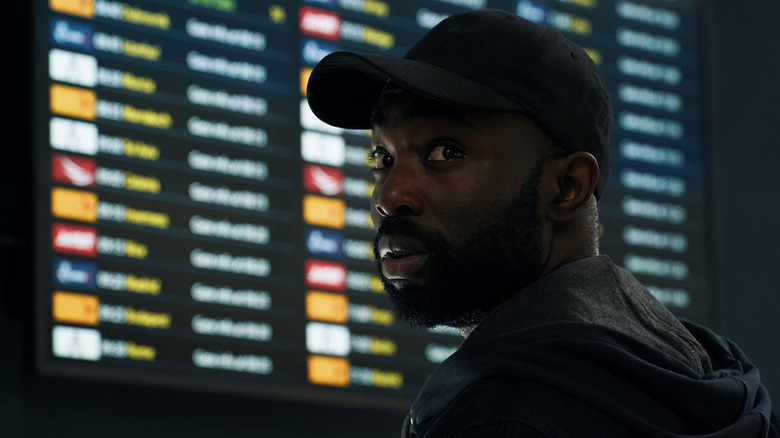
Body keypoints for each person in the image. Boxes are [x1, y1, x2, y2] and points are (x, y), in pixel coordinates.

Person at [306, 8, 779, 438]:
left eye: (445, 152)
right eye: (382, 157)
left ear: (567, 186)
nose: (389, 197)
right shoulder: (699, 373)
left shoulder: (502, 416)